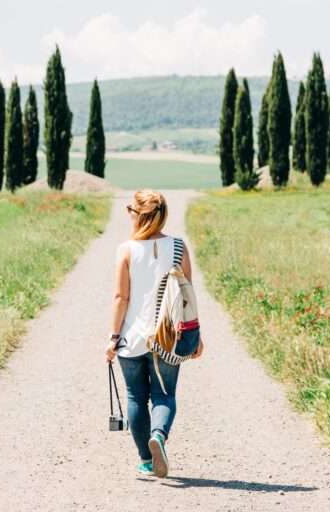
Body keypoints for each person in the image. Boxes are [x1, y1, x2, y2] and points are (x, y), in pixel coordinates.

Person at [105, 189, 204, 478]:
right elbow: (187, 297)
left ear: (138, 215)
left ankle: (147, 461)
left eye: (130, 211)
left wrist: (113, 338)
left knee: (136, 398)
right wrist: (196, 336)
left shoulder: (126, 250)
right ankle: (158, 435)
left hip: (131, 338)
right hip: (168, 338)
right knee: (164, 396)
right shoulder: (179, 247)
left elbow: (120, 298)